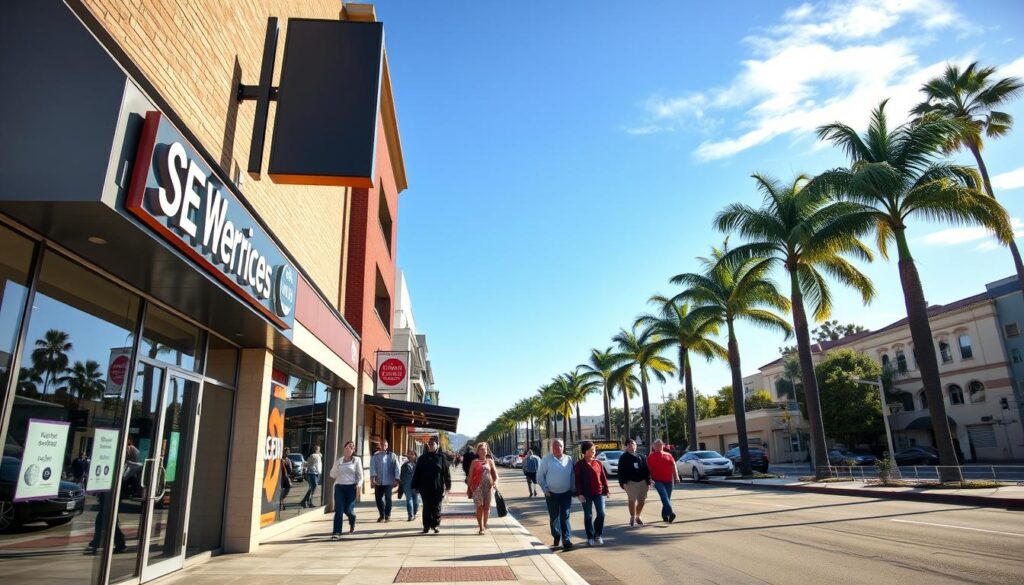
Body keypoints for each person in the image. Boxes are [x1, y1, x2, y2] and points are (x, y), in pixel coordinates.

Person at [537, 438, 575, 551]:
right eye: (555, 445)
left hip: (566, 493)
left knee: (565, 515)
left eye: (560, 445)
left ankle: (566, 540)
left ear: (563, 447)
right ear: (551, 448)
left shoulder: (569, 459)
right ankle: (556, 535)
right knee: (554, 517)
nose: (557, 447)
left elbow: (573, 475)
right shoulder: (546, 459)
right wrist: (545, 489)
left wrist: (574, 488)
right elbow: (540, 476)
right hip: (551, 494)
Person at [411, 435, 451, 534]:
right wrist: (414, 485)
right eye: (429, 444)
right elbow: (417, 473)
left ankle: (435, 525)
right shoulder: (422, 458)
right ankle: (426, 526)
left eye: (433, 444)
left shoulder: (442, 457)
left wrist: (448, 485)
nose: (431, 445)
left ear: (437, 445)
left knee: (437, 507)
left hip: (438, 487)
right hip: (424, 488)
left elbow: (446, 473)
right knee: (427, 507)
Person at [574, 441, 609, 545]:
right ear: (585, 451)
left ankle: (598, 535)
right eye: (591, 449)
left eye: (594, 449)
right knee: (588, 515)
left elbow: (603, 477)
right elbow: (578, 480)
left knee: (601, 514)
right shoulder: (579, 464)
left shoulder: (598, 463)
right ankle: (590, 537)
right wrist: (579, 493)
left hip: (598, 492)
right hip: (586, 494)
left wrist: (606, 490)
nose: (593, 451)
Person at [328, 441, 362, 539]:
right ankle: (336, 532)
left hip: (351, 487)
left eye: (351, 447)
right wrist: (336, 467)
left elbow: (360, 476)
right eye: (347, 447)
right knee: (339, 510)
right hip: (339, 487)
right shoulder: (339, 461)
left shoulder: (356, 460)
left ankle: (352, 519)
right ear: (344, 448)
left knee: (348, 510)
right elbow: (332, 474)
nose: (349, 448)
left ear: (353, 450)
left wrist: (358, 485)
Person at [617, 439, 651, 526]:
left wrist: (648, 482)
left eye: (633, 445)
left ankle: (637, 516)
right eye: (629, 445)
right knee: (632, 500)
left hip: (643, 482)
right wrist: (622, 483)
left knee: (642, 501)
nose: (632, 447)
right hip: (630, 483)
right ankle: (632, 517)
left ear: (636, 446)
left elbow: (646, 470)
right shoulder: (623, 457)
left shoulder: (642, 456)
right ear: (626, 447)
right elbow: (620, 471)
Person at [467, 442, 498, 534]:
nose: (483, 451)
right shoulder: (474, 462)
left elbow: (495, 475)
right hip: (477, 487)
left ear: (487, 451)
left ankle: (484, 524)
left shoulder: (490, 461)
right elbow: (470, 476)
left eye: (485, 449)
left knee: (487, 507)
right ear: (478, 451)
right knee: (479, 506)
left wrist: (495, 482)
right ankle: (481, 527)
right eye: (481, 449)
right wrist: (469, 487)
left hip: (488, 487)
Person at [648, 439, 679, 523]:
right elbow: (649, 469)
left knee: (667, 498)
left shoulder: (668, 455)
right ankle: (670, 513)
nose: (658, 446)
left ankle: (664, 515)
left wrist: (676, 476)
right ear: (653, 446)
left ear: (663, 446)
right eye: (656, 445)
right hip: (657, 480)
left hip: (669, 480)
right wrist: (649, 479)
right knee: (664, 496)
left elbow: (673, 466)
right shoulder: (651, 456)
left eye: (660, 445)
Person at [369, 439, 400, 522]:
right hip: (378, 481)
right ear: (379, 445)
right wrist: (373, 477)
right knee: (378, 498)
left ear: (387, 446)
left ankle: (387, 515)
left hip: (389, 481)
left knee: (388, 498)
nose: (383, 446)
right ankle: (382, 515)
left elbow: (397, 467)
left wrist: (397, 478)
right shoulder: (375, 455)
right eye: (382, 444)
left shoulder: (392, 455)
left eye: (385, 445)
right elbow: (372, 467)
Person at [399, 449, 420, 521]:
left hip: (416, 484)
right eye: (409, 454)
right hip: (407, 485)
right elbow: (401, 476)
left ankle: (413, 513)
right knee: (409, 499)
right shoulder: (404, 465)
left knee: (416, 502)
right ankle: (411, 515)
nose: (410, 456)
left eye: (412, 454)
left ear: (415, 455)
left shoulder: (419, 464)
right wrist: (401, 485)